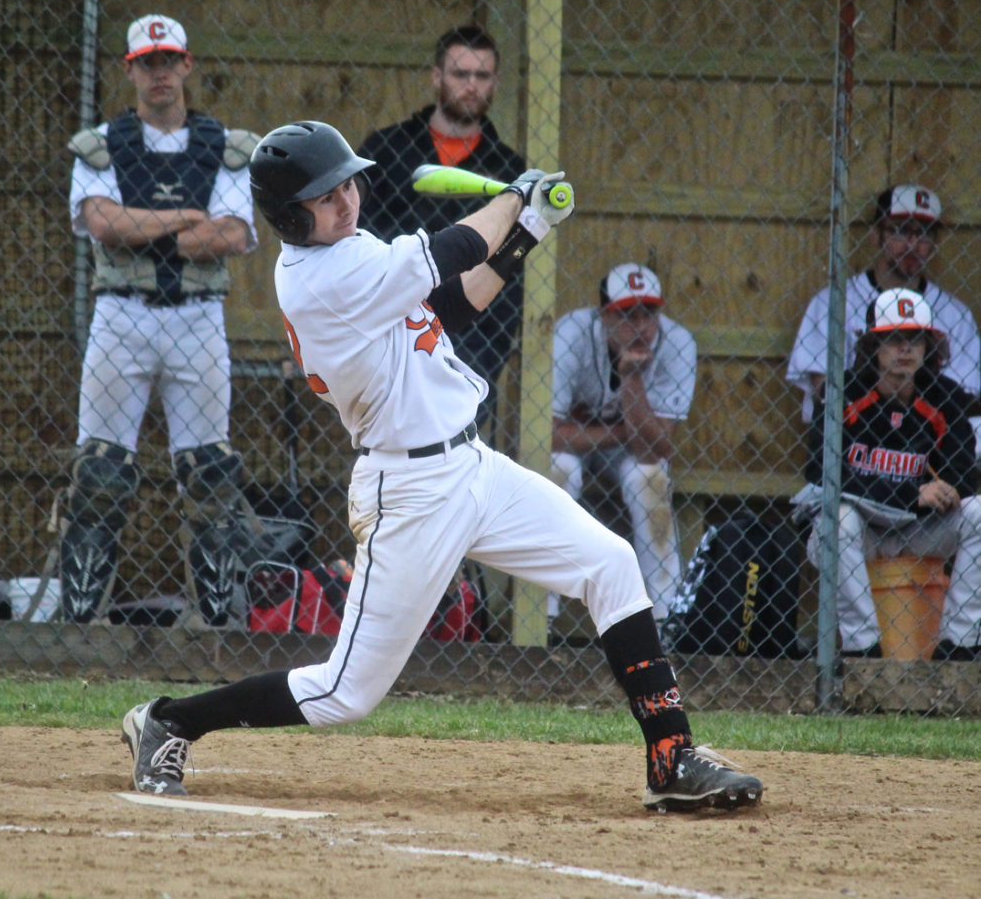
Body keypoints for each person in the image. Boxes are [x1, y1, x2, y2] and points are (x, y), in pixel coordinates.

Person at [120, 120, 764, 813]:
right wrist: (515, 200)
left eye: (346, 185)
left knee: (609, 564)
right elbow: (451, 247)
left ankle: (671, 757)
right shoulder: (321, 277)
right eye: (324, 195)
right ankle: (172, 718)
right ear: (288, 216)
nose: (345, 201)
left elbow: (449, 303)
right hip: (411, 491)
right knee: (345, 691)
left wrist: (528, 232)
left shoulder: (348, 247)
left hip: (472, 466)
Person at [54, 14, 258, 627]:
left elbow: (227, 238)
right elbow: (103, 226)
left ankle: (213, 626)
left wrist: (141, 223)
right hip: (121, 317)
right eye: (148, 62)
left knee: (210, 475)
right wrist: (182, 218)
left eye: (170, 59)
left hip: (197, 320)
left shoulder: (224, 146)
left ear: (188, 64)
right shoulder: (100, 143)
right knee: (101, 472)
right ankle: (82, 626)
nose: (160, 71)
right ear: (131, 69)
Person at [355, 26, 526, 437]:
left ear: (496, 83)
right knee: (390, 438)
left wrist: (491, 342)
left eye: (482, 76)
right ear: (436, 77)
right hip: (395, 321)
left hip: (475, 327)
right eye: (459, 73)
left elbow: (513, 260)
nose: (471, 86)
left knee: (455, 439)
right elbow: (355, 241)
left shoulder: (508, 169)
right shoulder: (385, 150)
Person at [796, 288, 981, 659]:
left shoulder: (944, 396)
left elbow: (964, 471)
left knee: (979, 513)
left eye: (914, 339)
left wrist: (948, 487)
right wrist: (909, 495)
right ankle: (863, 650)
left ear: (929, 346)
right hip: (856, 529)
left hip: (916, 529)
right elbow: (819, 470)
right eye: (893, 339)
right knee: (840, 519)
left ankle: (958, 648)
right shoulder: (842, 393)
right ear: (873, 345)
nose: (905, 349)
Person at [550, 263, 696, 627]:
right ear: (604, 316)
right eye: (627, 315)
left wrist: (631, 380)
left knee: (650, 479)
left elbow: (657, 449)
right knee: (559, 470)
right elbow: (546, 435)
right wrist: (625, 430)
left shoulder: (677, 343)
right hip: (578, 447)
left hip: (620, 449)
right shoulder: (571, 334)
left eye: (649, 314)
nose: (642, 327)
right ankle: (542, 616)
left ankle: (665, 621)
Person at [787, 184, 980, 424]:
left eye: (923, 233)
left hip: (926, 439)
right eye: (899, 231)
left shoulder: (954, 314)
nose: (912, 244)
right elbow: (824, 390)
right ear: (876, 235)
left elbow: (959, 398)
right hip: (856, 433)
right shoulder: (833, 302)